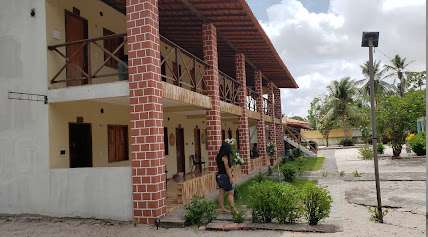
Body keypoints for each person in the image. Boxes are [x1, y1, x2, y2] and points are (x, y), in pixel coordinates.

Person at [215, 143, 236, 213]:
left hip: (219, 176)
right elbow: (227, 168)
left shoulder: (218, 156)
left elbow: (221, 167)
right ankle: (233, 209)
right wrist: (230, 178)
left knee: (221, 192)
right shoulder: (224, 157)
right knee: (230, 192)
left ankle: (222, 208)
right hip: (224, 176)